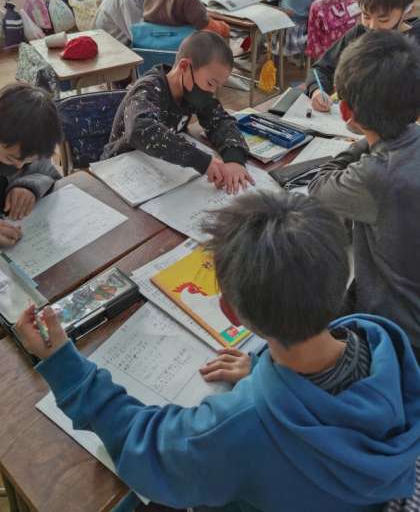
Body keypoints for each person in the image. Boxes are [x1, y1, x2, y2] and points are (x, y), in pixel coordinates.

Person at [16, 190, 420, 512]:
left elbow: (145, 444)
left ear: (230, 312)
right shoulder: (386, 345)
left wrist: (62, 362)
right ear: (341, 276)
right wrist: (262, 370)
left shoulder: (239, 427)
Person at [309, 30, 420, 362]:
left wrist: (369, 143)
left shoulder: (376, 175)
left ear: (346, 113)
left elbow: (319, 187)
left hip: (394, 334)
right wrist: (379, 137)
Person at [102, 31, 251, 194]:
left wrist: (235, 159)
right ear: (184, 67)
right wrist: (202, 161)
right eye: (210, 83)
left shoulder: (193, 91)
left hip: (159, 171)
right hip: (120, 172)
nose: (212, 92)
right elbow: (140, 129)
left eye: (217, 86)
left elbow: (221, 121)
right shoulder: (149, 89)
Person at [306, 0, 420, 112]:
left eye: (383, 20)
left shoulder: (415, 42)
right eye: (366, 16)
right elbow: (321, 69)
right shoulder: (358, 34)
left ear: (407, 11)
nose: (372, 26)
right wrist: (316, 90)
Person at [0, 84, 62, 246]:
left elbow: (48, 173)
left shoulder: (29, 148)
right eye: (10, 158)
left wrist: (28, 185)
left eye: (28, 161)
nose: (19, 166)